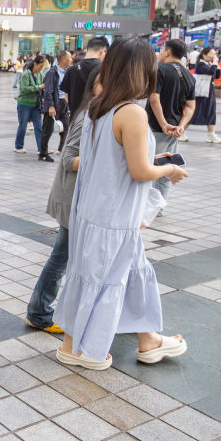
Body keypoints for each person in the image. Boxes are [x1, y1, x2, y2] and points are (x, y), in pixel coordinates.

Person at [53, 38, 189, 371]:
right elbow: (140, 171)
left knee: (111, 273)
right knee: (106, 278)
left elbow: (109, 160)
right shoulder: (131, 113)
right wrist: (169, 170)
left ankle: (145, 340)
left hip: (94, 211)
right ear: (141, 71)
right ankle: (85, 349)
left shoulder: (98, 106)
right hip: (115, 216)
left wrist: (153, 160)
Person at [26, 71, 99, 334]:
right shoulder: (89, 114)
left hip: (84, 199)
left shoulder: (100, 113)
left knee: (67, 258)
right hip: (73, 198)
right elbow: (68, 159)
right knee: (61, 257)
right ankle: (38, 312)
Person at [146, 39, 196, 205]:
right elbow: (191, 106)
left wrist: (162, 123)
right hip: (174, 130)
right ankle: (159, 206)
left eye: (161, 50)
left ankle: (147, 206)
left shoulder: (159, 70)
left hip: (155, 128)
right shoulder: (189, 76)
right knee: (166, 167)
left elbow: (154, 99)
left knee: (149, 167)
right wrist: (181, 126)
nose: (159, 53)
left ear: (167, 52)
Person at [62, 37, 109, 119]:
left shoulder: (71, 69)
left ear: (87, 50)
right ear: (103, 51)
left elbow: (66, 98)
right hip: (96, 119)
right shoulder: (105, 69)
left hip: (76, 119)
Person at [39, 50, 72, 161]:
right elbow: (48, 91)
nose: (71, 60)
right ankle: (43, 154)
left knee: (66, 126)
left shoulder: (67, 72)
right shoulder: (52, 72)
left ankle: (61, 149)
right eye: (70, 58)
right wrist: (50, 106)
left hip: (64, 103)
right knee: (48, 129)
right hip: (54, 103)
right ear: (63, 59)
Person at [189, 46, 221, 143]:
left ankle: (211, 135)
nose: (213, 56)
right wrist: (215, 63)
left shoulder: (209, 64)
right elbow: (210, 72)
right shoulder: (201, 65)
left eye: (214, 54)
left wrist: (216, 64)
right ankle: (181, 132)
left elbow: (217, 75)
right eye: (211, 54)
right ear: (204, 55)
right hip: (202, 93)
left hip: (209, 92)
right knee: (194, 113)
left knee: (211, 112)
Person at [14, 55, 45, 155]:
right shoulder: (26, 74)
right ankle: (19, 146)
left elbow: (44, 85)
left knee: (39, 126)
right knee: (23, 126)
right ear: (35, 64)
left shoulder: (40, 75)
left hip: (35, 105)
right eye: (40, 66)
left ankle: (41, 149)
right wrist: (38, 87)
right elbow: (24, 89)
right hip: (24, 104)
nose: (41, 68)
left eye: (43, 66)